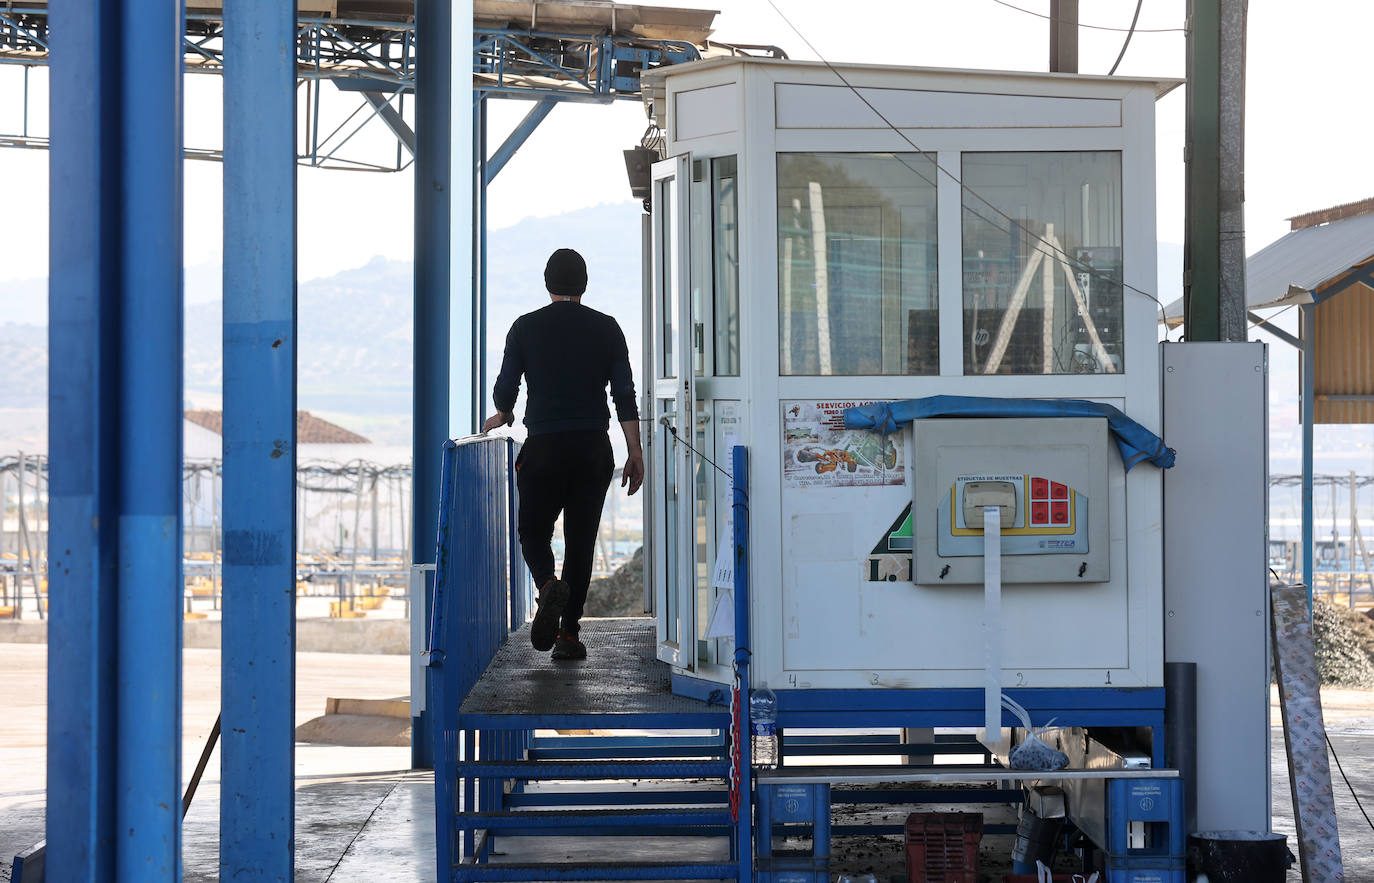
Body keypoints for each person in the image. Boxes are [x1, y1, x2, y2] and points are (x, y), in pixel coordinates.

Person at [483, 247, 644, 661]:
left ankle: (546, 585)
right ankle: (568, 636)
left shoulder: (525, 328)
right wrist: (635, 452)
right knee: (581, 542)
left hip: (544, 448)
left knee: (533, 532)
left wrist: (502, 414)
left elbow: (507, 388)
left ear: (547, 284)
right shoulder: (607, 328)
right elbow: (624, 396)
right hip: (592, 449)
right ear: (584, 285)